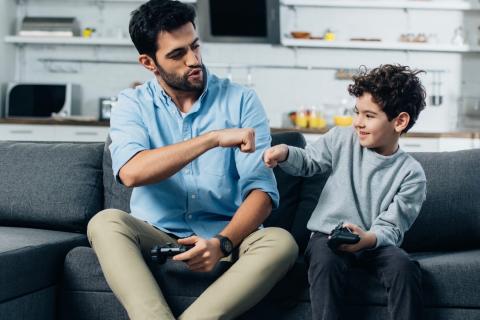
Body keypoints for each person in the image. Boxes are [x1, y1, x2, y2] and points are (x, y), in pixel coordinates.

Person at [86, 1, 298, 320]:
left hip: (228, 237)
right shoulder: (131, 104)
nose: (193, 60)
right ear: (148, 62)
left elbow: (262, 193)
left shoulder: (242, 101)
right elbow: (131, 172)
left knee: (281, 242)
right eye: (177, 54)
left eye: (195, 46)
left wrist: (222, 244)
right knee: (105, 222)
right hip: (157, 234)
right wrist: (211, 139)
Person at [263, 64, 428, 320]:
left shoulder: (411, 174)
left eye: (369, 116)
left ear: (400, 121)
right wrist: (285, 153)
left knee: (403, 267)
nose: (358, 123)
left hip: (375, 242)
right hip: (329, 236)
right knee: (325, 263)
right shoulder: (341, 138)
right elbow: (309, 162)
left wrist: (368, 239)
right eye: (357, 112)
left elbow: (393, 226)